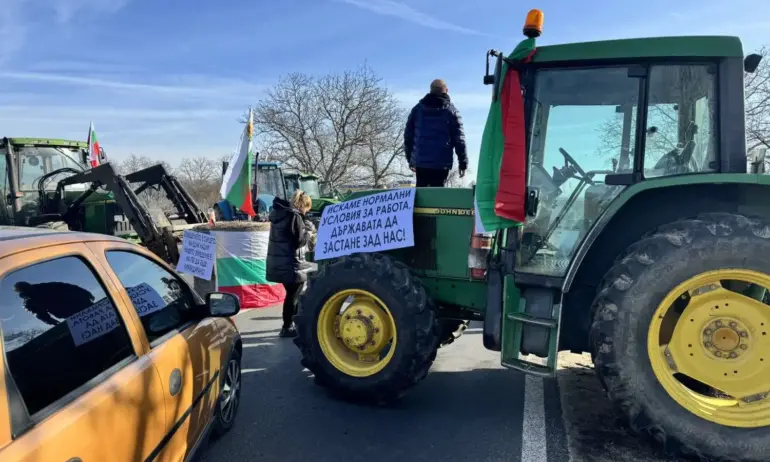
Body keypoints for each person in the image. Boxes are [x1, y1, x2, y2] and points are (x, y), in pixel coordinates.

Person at [266, 189, 314, 338]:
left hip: (280, 261)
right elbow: (299, 241)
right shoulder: (295, 217)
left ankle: (293, 323)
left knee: (292, 294)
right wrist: (309, 232)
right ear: (302, 205)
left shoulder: (280, 215)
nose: (307, 211)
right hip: (291, 263)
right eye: (307, 208)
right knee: (293, 296)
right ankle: (287, 326)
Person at [404, 79, 468, 187]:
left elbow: (408, 136)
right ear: (446, 90)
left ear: (430, 90)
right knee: (438, 194)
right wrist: (463, 162)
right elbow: (459, 140)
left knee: (421, 194)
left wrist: (410, 159)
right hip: (441, 163)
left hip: (421, 162)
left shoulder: (417, 110)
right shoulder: (452, 112)